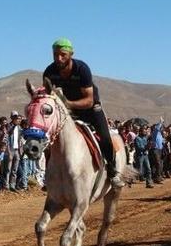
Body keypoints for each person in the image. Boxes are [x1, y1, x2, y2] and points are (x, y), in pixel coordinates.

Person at [42, 38, 124, 188]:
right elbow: (47, 98)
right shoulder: (49, 72)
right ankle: (51, 175)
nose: (58, 58)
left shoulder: (82, 69)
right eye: (55, 55)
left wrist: (68, 104)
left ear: (71, 54)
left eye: (63, 55)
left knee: (105, 137)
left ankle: (112, 172)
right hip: (66, 110)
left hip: (90, 108)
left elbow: (89, 100)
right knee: (50, 141)